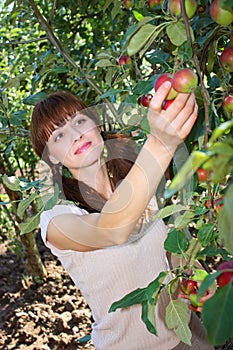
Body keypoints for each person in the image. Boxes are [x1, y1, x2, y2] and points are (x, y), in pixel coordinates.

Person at [30, 82, 214, 350]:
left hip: (188, 336)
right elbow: (111, 229)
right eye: (58, 136)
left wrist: (198, 281)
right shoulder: (56, 219)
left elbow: (173, 248)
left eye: (79, 121)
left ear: (95, 125)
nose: (75, 135)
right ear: (53, 158)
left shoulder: (137, 182)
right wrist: (161, 143)